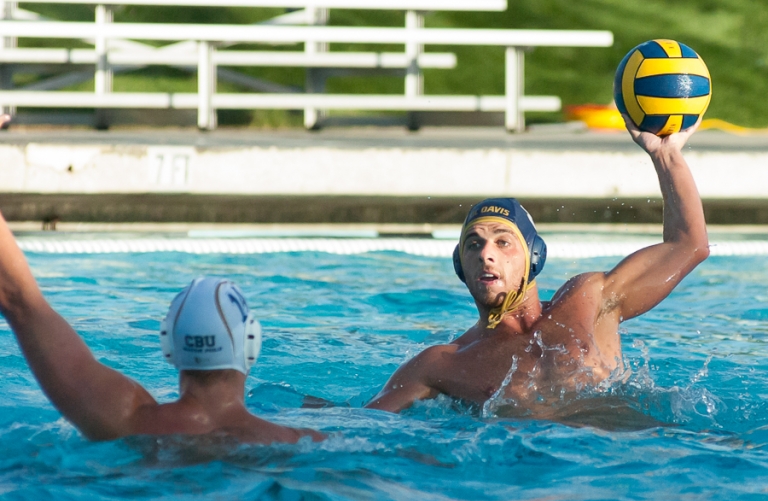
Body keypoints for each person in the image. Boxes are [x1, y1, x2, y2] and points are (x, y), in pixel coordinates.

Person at [366, 116, 710, 415]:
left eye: (503, 242)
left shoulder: (589, 301)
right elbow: (363, 424)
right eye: (473, 244)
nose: (486, 254)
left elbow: (688, 245)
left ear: (534, 258)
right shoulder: (441, 363)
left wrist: (666, 156)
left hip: (625, 459)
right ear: (460, 265)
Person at [0, 216, 324, 443]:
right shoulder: (301, 445)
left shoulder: (124, 421)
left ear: (168, 345)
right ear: (252, 344)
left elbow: (17, 299)